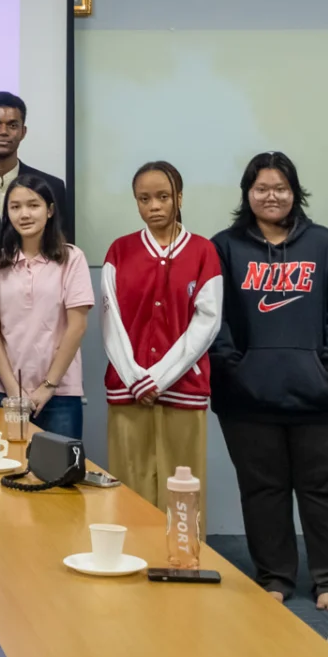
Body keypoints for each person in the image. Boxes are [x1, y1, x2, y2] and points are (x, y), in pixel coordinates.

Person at [209, 151, 328, 612]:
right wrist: (234, 369)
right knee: (262, 492)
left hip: (323, 400)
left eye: (280, 188)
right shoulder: (224, 247)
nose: (271, 196)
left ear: (295, 192)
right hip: (248, 400)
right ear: (247, 194)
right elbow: (212, 318)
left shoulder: (326, 245)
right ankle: (274, 575)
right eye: (261, 189)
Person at [99, 162, 222, 509]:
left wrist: (158, 378)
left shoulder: (202, 251)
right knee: (129, 486)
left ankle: (184, 561)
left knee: (183, 491)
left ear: (179, 198)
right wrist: (135, 378)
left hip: (184, 391)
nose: (153, 206)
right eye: (144, 198)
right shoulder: (120, 251)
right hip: (127, 391)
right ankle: (130, 560)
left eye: (163, 197)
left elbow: (207, 322)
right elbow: (110, 322)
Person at [0, 174, 98, 441]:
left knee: (60, 476)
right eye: (15, 207)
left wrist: (47, 386)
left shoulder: (71, 258)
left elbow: (77, 326)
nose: (24, 214)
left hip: (59, 393)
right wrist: (14, 391)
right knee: (7, 470)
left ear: (49, 210)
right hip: (7, 392)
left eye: (33, 205)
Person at [0, 91, 72, 242]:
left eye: (12, 125)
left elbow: (62, 247)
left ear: (23, 132)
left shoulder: (52, 186)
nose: (3, 132)